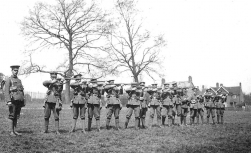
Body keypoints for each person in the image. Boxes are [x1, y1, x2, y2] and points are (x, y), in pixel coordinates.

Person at [4, 65, 25, 136]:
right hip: (12, 100)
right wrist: (8, 101)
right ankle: (11, 131)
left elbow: (22, 91)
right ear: (12, 70)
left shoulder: (19, 80)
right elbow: (6, 91)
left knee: (16, 115)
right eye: (14, 70)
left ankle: (15, 131)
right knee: (12, 115)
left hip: (19, 101)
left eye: (17, 70)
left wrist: (23, 101)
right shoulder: (9, 79)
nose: (16, 72)